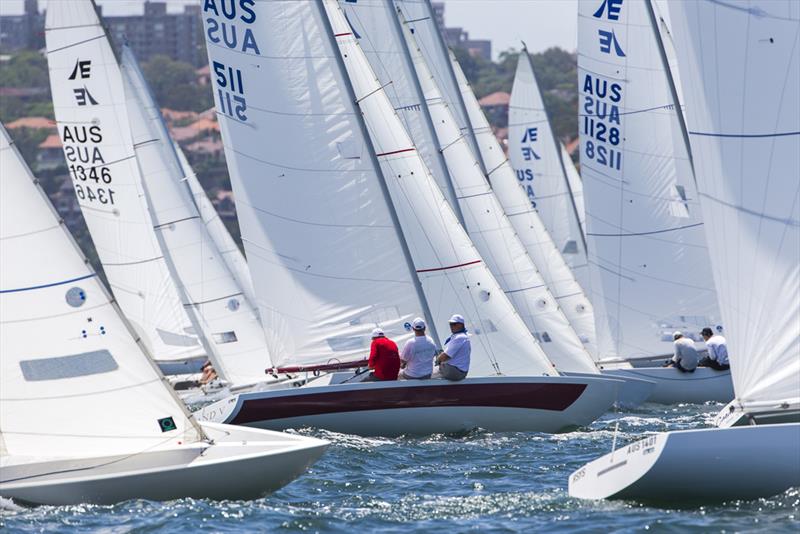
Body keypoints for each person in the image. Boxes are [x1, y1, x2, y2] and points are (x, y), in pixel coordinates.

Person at [435, 314, 470, 381]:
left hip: (455, 372)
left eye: (454, 324)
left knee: (424, 374)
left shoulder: (459, 337)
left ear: (461, 325)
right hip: (460, 372)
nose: (451, 326)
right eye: (450, 324)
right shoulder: (463, 336)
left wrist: (438, 360)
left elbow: (446, 356)